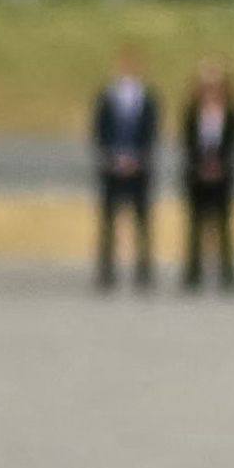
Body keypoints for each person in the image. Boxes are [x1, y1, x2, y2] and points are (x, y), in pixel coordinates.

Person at [89, 45, 158, 291]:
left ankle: (143, 271)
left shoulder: (147, 98)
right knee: (108, 221)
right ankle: (106, 270)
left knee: (142, 222)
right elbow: (99, 130)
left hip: (139, 169)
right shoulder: (107, 97)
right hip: (112, 167)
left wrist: (137, 158)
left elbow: (151, 132)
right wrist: (113, 157)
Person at [181, 55, 234, 292]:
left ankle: (227, 273)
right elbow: (188, 144)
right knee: (195, 225)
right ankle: (193, 272)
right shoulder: (192, 112)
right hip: (197, 176)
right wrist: (201, 166)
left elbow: (233, 144)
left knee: (224, 225)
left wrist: (220, 165)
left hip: (223, 176)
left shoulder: (231, 114)